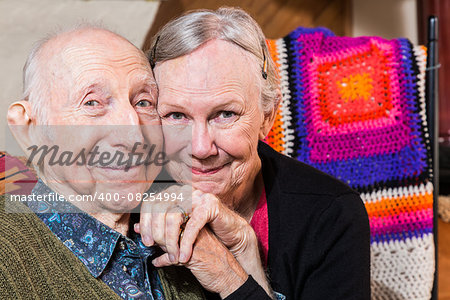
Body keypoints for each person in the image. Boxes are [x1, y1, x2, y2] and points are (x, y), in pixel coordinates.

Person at [136, 7, 371, 299]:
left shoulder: (329, 215)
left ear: (267, 116)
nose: (199, 147)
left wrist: (233, 270)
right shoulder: (124, 201)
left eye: (224, 114)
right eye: (175, 116)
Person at [2, 25, 208, 299]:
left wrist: (241, 250)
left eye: (144, 102)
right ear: (28, 128)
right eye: (92, 103)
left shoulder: (183, 221)